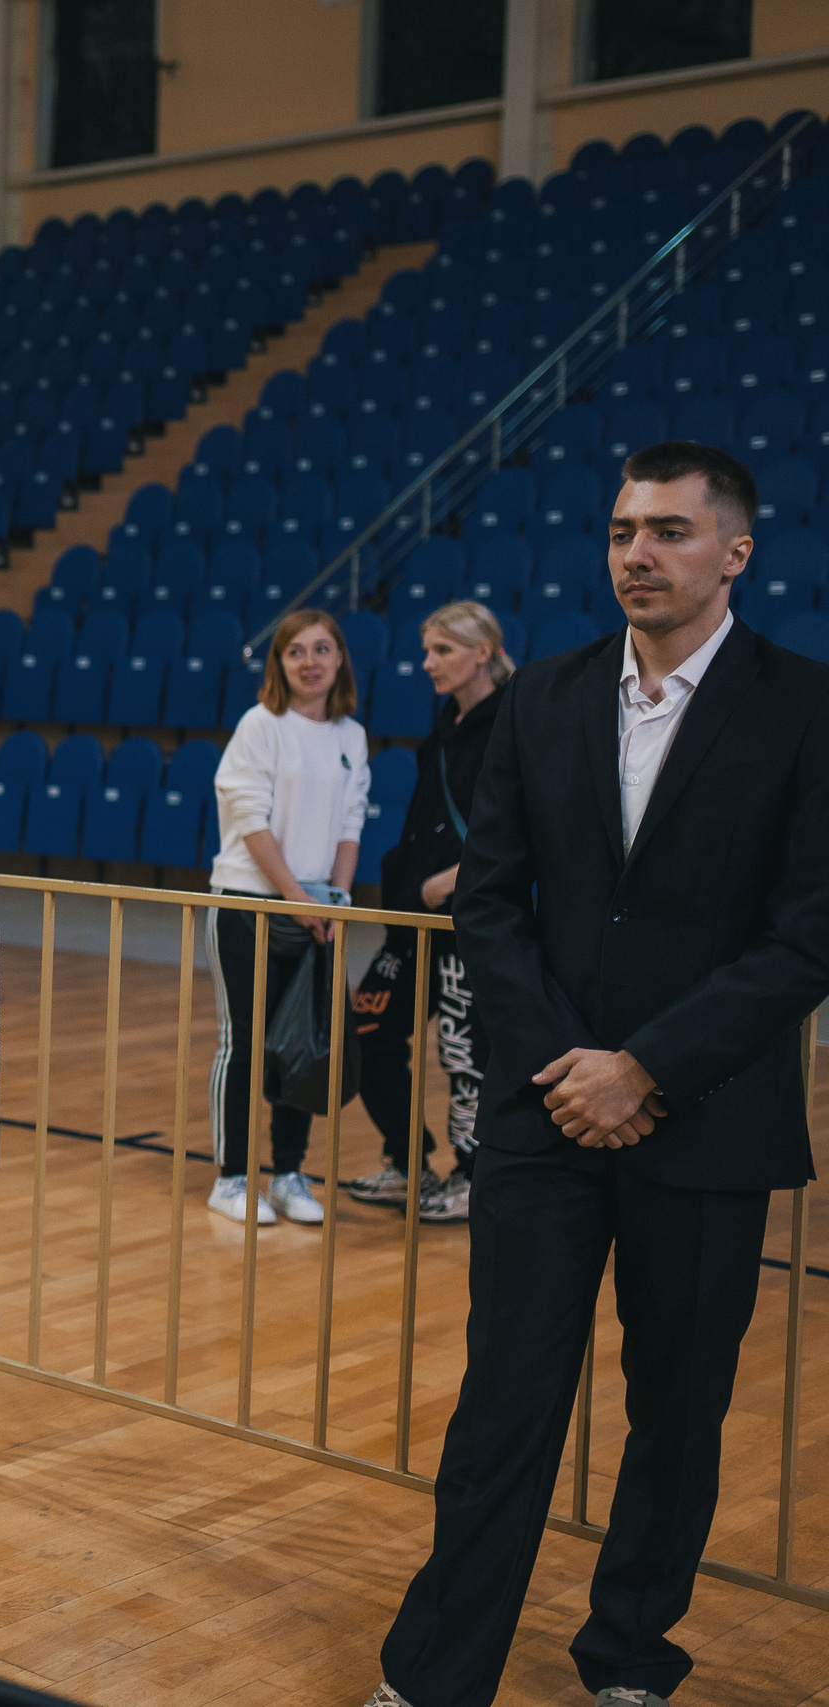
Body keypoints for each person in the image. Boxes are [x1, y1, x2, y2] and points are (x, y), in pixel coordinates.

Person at [367, 442, 829, 1707]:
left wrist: (647, 1069)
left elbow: (806, 935)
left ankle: (628, 1656)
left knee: (675, 1413)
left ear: (735, 551)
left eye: (670, 531)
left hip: (707, 1116)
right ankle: (435, 1673)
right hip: (547, 1109)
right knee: (503, 1402)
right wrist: (568, 1067)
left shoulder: (805, 706)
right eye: (624, 530)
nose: (638, 553)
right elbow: (489, 903)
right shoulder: (547, 697)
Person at [342, 600, 510, 1225]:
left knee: (465, 1054)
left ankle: (473, 1176)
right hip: (410, 923)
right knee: (366, 1032)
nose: (428, 663)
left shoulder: (512, 726)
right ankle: (407, 1162)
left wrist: (454, 881)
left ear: (483, 652)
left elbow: (529, 830)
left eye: (442, 650)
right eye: (427, 650)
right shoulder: (445, 725)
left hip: (467, 923)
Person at [204, 608, 370, 1229]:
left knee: (303, 1044)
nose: (310, 662)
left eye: (322, 649)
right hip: (249, 906)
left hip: (316, 912)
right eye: (295, 651)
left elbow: (351, 823)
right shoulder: (260, 725)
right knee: (245, 1043)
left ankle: (288, 1175)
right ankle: (231, 1179)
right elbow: (250, 820)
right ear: (279, 663)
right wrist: (298, 898)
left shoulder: (352, 735)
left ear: (339, 659)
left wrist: (336, 900)